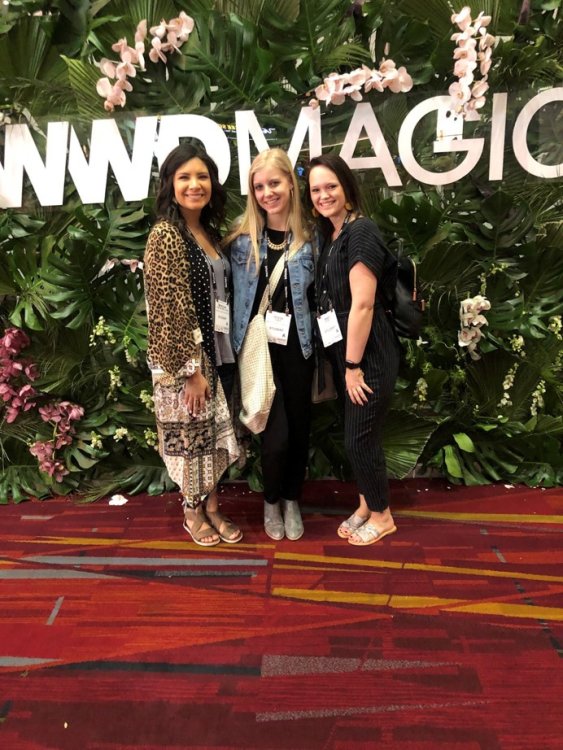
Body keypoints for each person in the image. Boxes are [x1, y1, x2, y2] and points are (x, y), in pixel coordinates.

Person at [144, 143, 241, 547]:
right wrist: (190, 371)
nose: (194, 184)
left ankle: (213, 507)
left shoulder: (207, 232)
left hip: (217, 355)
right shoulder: (166, 234)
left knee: (211, 439)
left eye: (202, 176)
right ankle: (192, 512)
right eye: (184, 177)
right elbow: (167, 309)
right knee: (191, 442)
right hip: (187, 363)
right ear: (170, 184)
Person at [306, 153, 401, 546]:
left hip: (368, 355)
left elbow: (363, 303)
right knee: (358, 435)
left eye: (331, 186)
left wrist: (353, 365)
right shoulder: (332, 233)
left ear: (346, 187)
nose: (324, 195)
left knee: (359, 439)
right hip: (349, 355)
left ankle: (382, 515)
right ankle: (366, 503)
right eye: (316, 189)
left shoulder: (361, 232)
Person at [226, 148, 315, 541]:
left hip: (299, 348)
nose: (267, 193)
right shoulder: (241, 240)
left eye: (274, 183)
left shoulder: (311, 238)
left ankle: (292, 498)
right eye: (259, 186)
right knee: (273, 432)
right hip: (259, 350)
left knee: (299, 429)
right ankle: (271, 497)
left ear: (290, 185)